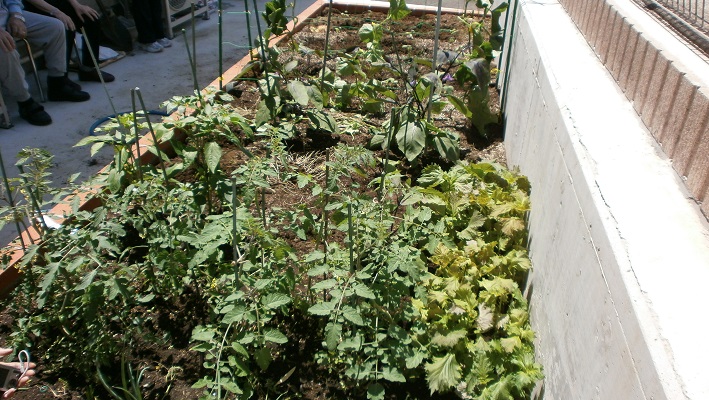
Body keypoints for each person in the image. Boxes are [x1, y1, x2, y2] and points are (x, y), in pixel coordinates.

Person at [1, 0, 89, 126]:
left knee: (55, 26)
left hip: (6, 14)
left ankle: (57, 84)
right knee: (6, 49)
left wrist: (16, 15)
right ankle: (25, 102)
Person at [22, 0, 115, 82]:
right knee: (66, 27)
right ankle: (61, 80)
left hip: (54, 3)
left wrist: (77, 5)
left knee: (90, 18)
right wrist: (57, 12)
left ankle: (88, 69)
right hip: (33, 8)